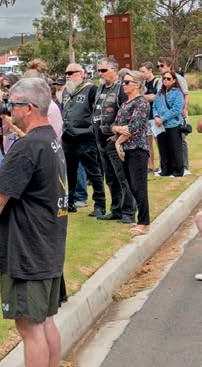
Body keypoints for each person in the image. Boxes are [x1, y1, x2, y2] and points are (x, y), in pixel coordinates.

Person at [0, 77, 68, 367]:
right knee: (45, 320)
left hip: (27, 247)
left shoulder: (27, 146)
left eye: (12, 104)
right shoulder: (50, 139)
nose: (7, 109)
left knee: (30, 326)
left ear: (28, 107)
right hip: (47, 242)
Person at [91, 57, 135, 224]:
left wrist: (117, 137)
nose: (100, 73)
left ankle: (128, 212)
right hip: (100, 139)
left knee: (123, 177)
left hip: (114, 141)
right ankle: (116, 210)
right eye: (98, 70)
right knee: (110, 178)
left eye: (104, 70)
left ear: (114, 70)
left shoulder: (121, 88)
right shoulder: (100, 88)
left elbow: (127, 113)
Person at [110, 71, 152, 236]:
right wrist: (119, 131)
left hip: (137, 149)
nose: (124, 84)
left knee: (139, 187)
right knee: (131, 185)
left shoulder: (141, 103)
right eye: (123, 81)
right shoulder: (126, 103)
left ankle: (143, 222)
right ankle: (141, 220)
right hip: (126, 149)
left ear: (137, 85)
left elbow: (133, 128)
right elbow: (114, 125)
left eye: (127, 82)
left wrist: (118, 140)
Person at [60, 62, 104, 215]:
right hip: (68, 137)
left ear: (81, 73)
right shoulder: (66, 91)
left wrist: (92, 130)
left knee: (93, 172)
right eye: (66, 73)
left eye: (71, 73)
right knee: (70, 172)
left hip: (85, 137)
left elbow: (97, 112)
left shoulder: (91, 89)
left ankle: (99, 204)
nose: (68, 76)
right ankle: (70, 201)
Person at [152, 71, 186, 177]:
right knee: (163, 148)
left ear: (174, 80)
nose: (165, 80)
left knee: (175, 148)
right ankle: (166, 170)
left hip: (173, 124)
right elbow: (154, 106)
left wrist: (163, 118)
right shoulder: (159, 93)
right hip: (160, 126)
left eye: (168, 78)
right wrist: (156, 116)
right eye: (164, 78)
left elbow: (176, 109)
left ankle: (178, 171)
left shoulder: (178, 93)